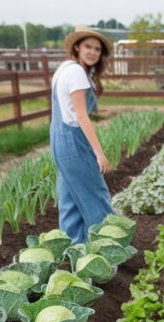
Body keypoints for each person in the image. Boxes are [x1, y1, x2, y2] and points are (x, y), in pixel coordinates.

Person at [51, 27, 114, 244]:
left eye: (97, 49)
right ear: (77, 47)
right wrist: (99, 153)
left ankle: (73, 253)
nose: (93, 52)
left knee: (69, 202)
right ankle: (108, 252)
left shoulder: (63, 68)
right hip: (74, 140)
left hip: (59, 140)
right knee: (96, 198)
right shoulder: (77, 72)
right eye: (88, 46)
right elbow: (81, 116)